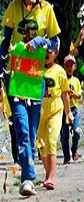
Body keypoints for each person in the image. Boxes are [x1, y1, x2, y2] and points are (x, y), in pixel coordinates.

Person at [0, 0, 61, 197]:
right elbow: (4, 45)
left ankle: (27, 176)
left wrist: (40, 41)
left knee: (31, 133)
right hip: (15, 78)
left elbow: (55, 42)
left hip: (36, 79)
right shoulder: (13, 7)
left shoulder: (47, 10)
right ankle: (28, 178)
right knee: (21, 128)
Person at [36, 39, 70, 190]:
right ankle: (47, 173)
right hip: (40, 110)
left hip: (56, 109)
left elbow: (65, 94)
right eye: (44, 51)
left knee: (51, 141)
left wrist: (69, 113)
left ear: (56, 53)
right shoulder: (36, 68)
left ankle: (51, 177)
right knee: (40, 144)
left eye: (50, 51)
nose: (46, 54)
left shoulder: (60, 71)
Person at [61, 54, 81, 164]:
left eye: (71, 65)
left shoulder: (76, 81)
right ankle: (66, 156)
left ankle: (74, 149)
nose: (69, 67)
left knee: (77, 131)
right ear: (64, 66)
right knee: (64, 134)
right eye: (67, 65)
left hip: (73, 109)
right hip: (63, 110)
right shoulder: (62, 79)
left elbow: (79, 96)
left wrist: (73, 94)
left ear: (75, 67)